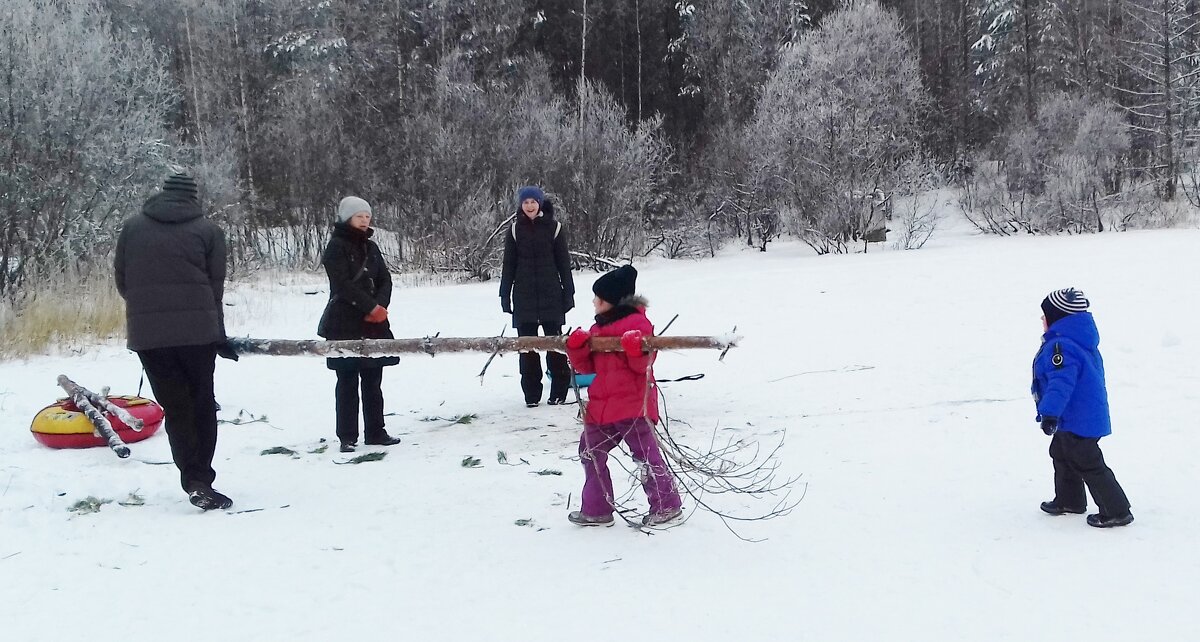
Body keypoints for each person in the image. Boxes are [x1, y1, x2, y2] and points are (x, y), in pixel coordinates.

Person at [115, 173, 237, 511]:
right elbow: (215, 288)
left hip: (149, 336)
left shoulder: (132, 228)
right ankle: (201, 479)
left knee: (177, 408)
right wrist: (219, 334)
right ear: (193, 198)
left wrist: (148, 309)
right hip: (197, 333)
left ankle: (192, 479)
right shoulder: (208, 231)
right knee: (201, 404)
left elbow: (123, 282)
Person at [564, 265, 683, 527]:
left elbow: (643, 367)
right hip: (602, 408)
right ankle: (597, 509)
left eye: (599, 298)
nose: (594, 302)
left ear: (613, 301)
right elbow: (588, 369)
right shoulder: (598, 328)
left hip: (632, 407)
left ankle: (666, 505)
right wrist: (577, 350)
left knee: (645, 456)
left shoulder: (638, 325)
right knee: (590, 452)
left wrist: (635, 350)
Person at [1032, 287, 1133, 528]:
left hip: (1078, 418)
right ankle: (1070, 500)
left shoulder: (1063, 348)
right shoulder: (1077, 342)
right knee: (1062, 453)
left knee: (1087, 462)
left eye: (1045, 316)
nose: (1042, 321)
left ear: (1057, 319)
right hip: (1076, 417)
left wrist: (1050, 413)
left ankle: (1116, 510)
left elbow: (1060, 384)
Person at [318, 196, 402, 453]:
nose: (365, 220)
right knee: (346, 380)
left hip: (374, 323)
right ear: (347, 218)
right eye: (359, 216)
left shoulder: (372, 247)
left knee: (373, 378)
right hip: (344, 322)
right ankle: (347, 436)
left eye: (367, 216)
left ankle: (376, 431)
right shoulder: (336, 247)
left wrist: (380, 306)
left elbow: (385, 279)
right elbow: (342, 284)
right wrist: (370, 307)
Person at [499, 185, 575, 407]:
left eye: (533, 202)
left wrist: (568, 294)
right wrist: (505, 295)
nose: (530, 206)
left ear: (540, 204)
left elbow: (564, 265)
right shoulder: (514, 231)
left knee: (555, 346)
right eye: (525, 202)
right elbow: (508, 266)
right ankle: (532, 395)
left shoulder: (555, 228)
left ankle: (559, 392)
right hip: (524, 298)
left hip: (552, 296)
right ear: (521, 206)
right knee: (527, 349)